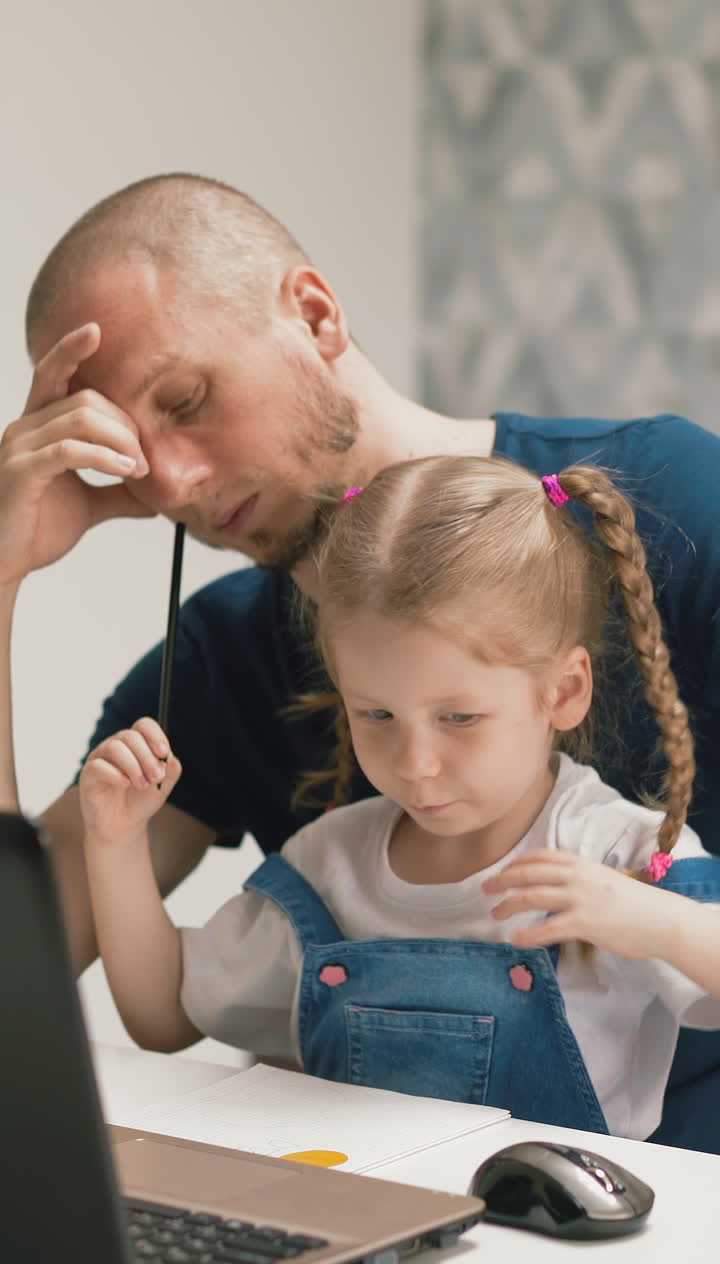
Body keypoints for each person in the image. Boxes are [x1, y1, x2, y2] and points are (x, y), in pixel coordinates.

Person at [3, 171, 720, 1148]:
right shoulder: (220, 659)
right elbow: (19, 989)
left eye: (188, 398)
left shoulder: (681, 505)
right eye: (130, 448)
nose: (173, 481)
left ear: (314, 312)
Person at [78, 455, 720, 1141]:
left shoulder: (619, 855)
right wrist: (113, 844)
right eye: (377, 716)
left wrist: (653, 921)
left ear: (563, 692)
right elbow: (163, 1016)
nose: (416, 766)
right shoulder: (329, 864)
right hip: (358, 1223)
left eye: (459, 719)